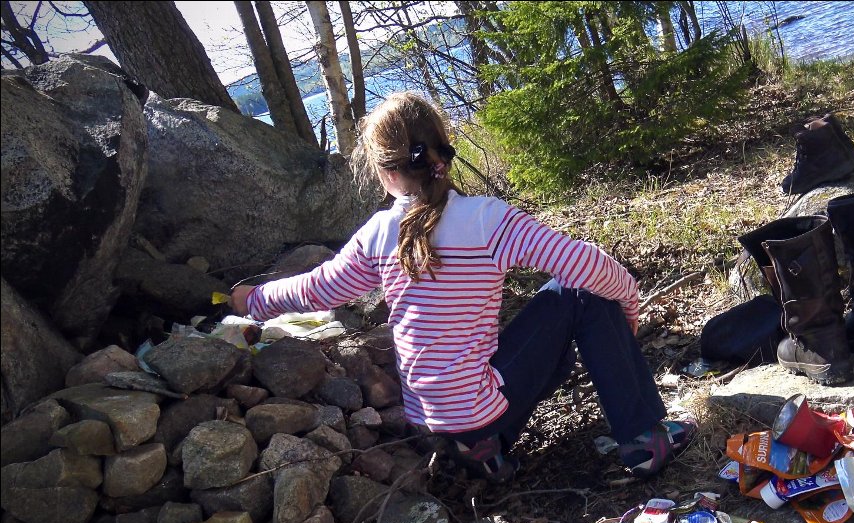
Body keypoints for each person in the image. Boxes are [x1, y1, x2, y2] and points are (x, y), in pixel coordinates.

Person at [230, 92, 695, 483]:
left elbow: (318, 289)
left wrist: (254, 300)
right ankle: (642, 438)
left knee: (543, 325)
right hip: (480, 409)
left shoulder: (376, 234)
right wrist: (628, 307)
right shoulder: (485, 219)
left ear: (387, 174)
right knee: (576, 293)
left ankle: (485, 450)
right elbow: (586, 265)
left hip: (436, 419)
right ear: (442, 152)